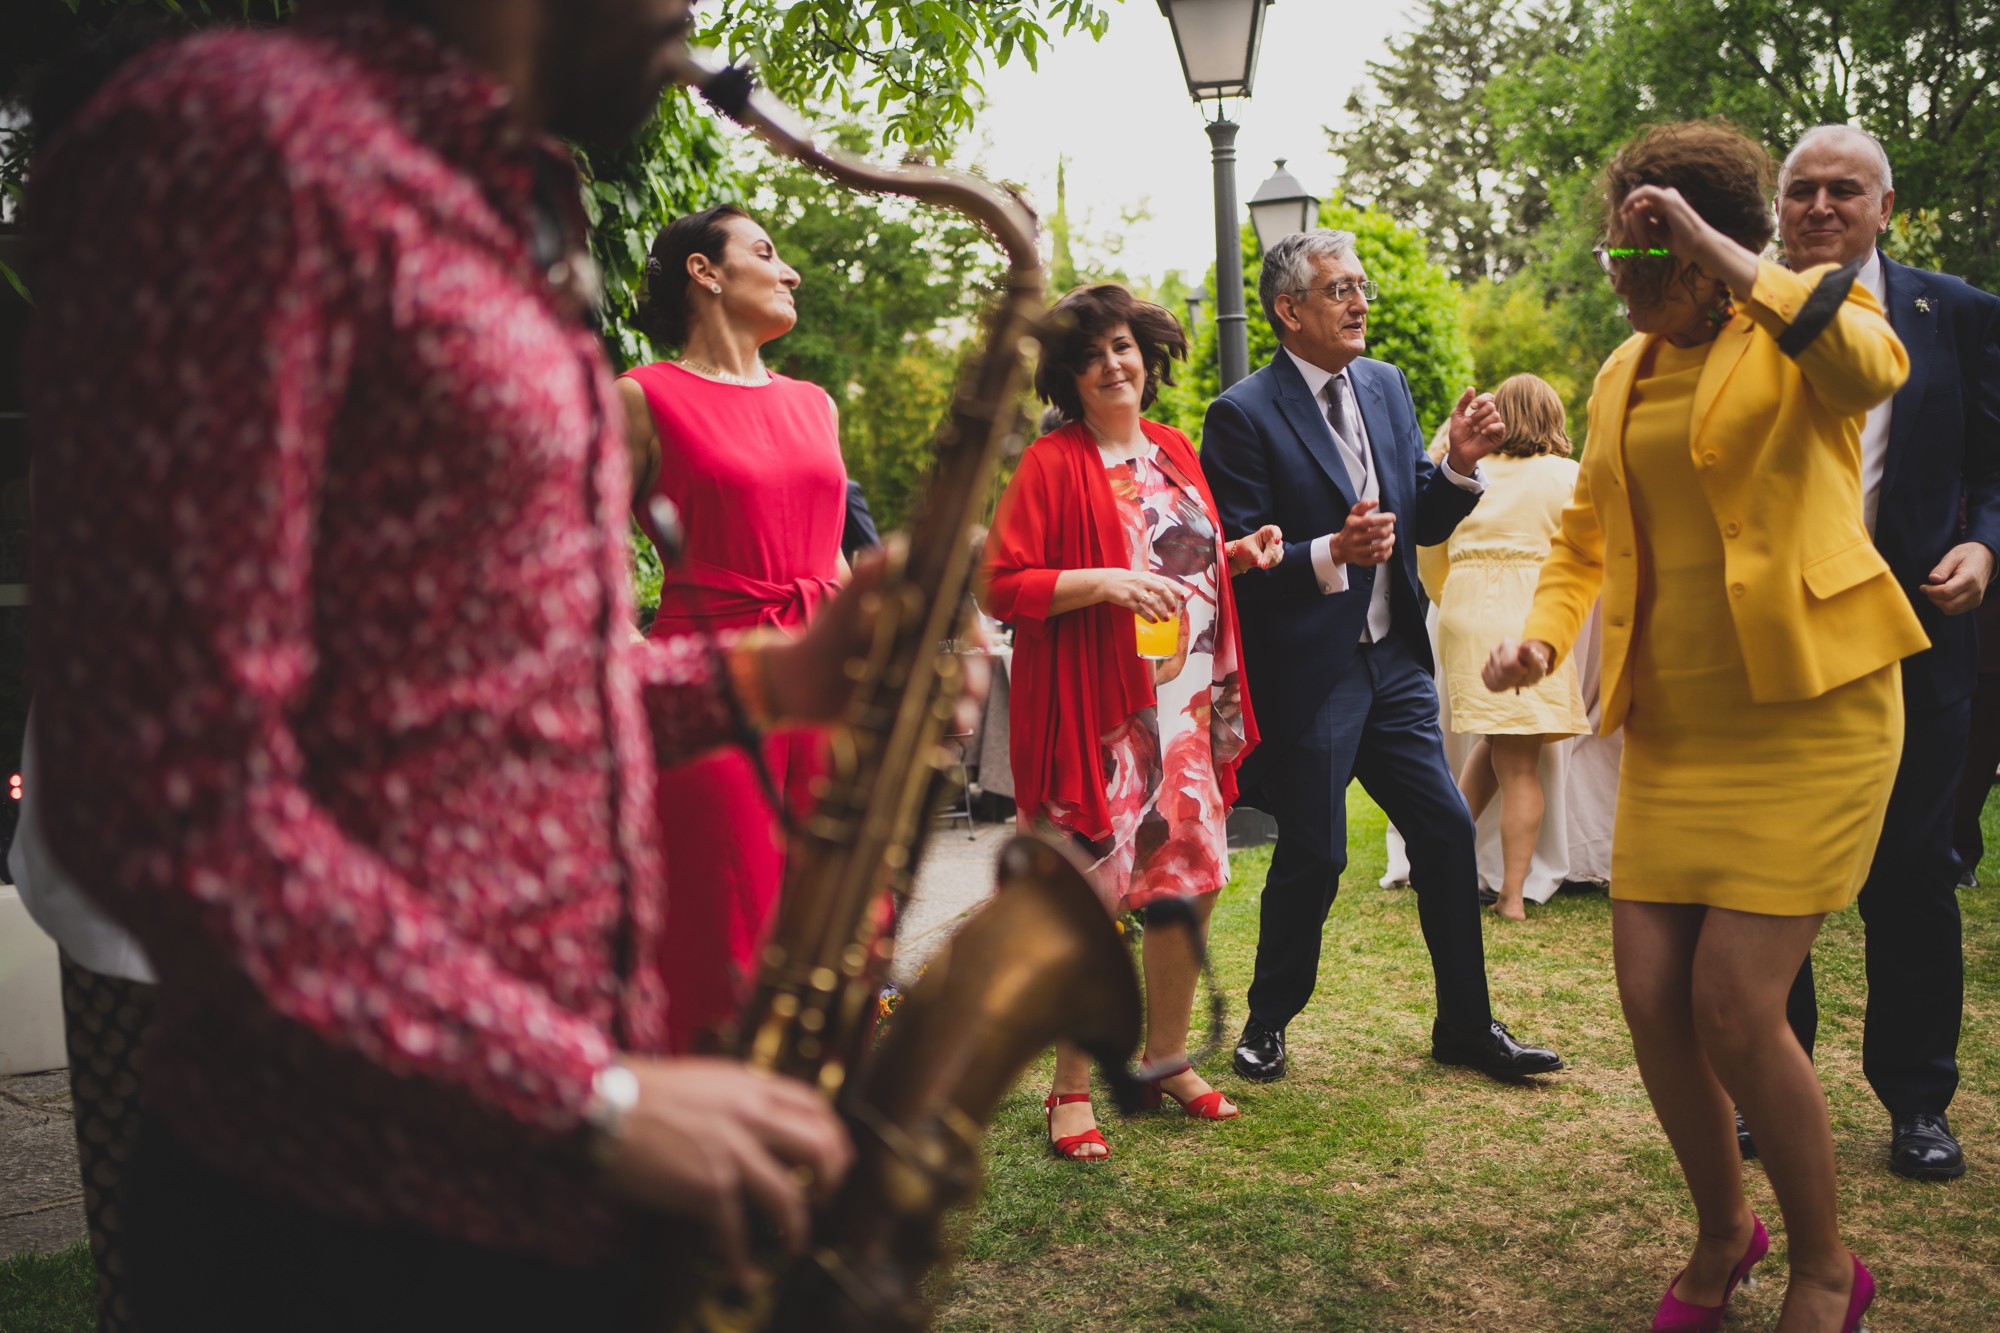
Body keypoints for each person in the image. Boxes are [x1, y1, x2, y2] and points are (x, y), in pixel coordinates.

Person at [17, 1, 972, 1323]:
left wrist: (786, 674)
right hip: (340, 1233)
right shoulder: (238, 144)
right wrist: (593, 1099)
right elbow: (169, 790)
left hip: (532, 1190)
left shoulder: (493, 200)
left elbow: (495, 710)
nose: (689, 15)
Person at [1485, 120, 1922, 1332]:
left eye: (1649, 255)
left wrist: (1729, 254)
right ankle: (1725, 1231)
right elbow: (1581, 537)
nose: (1624, 282)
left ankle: (1827, 1267)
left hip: (1810, 712)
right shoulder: (1620, 373)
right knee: (1644, 993)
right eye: (1617, 253)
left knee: (1734, 1003)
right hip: (1675, 727)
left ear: (1696, 250)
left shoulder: (1793, 331)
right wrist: (1537, 630)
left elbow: (1871, 369)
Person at [1199, 229, 1564, 1086]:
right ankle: (1267, 1023)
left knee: (1441, 829)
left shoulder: (1388, 386)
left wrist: (1461, 466)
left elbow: (1421, 517)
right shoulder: (1242, 414)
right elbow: (1238, 558)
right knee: (1319, 853)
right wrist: (1330, 549)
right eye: (1338, 289)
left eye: (1361, 285)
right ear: (1289, 310)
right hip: (1314, 671)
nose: (1360, 302)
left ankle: (1467, 1027)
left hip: (1394, 660)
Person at [980, 283, 1281, 1160]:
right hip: (1100, 718)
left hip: (1182, 708)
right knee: (1090, 898)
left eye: (1124, 347)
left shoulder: (1175, 451)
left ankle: (1164, 1060)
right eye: (1092, 354)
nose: (1113, 363)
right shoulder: (1052, 464)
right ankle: (1069, 1090)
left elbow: (1174, 561)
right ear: (1069, 376)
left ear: (1147, 358)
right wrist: (1102, 583)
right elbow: (999, 584)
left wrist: (1236, 556)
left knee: (1186, 885)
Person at [1772, 124, 2000, 1182]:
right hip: (1776, 647)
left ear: (1882, 206)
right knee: (1774, 881)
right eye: (1800, 190)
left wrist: (1981, 543)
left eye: (1842, 191)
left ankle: (1915, 1101)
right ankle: (1776, 1083)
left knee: (1908, 877)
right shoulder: (1738, 313)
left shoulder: (1951, 314)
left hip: (1915, 639)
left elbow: (1992, 469)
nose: (1819, 206)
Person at [618, 205, 848, 1051]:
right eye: (767, 251)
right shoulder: (641, 395)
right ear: (703, 273)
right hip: (710, 687)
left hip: (825, 684)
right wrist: (639, 660)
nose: (789, 272)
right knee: (724, 929)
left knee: (837, 920)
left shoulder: (815, 404)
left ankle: (817, 1125)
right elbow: (577, 545)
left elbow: (834, 556)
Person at [1427, 374, 1589, 920]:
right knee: (1520, 762)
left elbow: (1432, 548)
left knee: (1495, 746)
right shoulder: (1568, 475)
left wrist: (1447, 598)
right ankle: (1513, 897)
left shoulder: (1468, 472)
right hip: (1528, 610)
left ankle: (1436, 865)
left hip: (1466, 606)